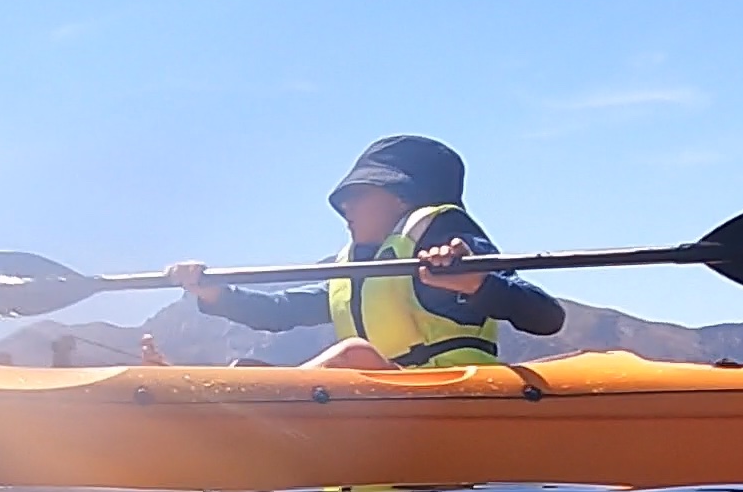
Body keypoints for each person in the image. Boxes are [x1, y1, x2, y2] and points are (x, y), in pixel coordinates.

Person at [168, 136, 565, 370]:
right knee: (260, 367)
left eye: (357, 195)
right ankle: (239, 403)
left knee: (354, 354)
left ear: (401, 197)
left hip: (451, 396)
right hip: (384, 405)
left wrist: (479, 283)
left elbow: (547, 317)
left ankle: (254, 401)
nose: (345, 208)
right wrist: (214, 294)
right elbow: (282, 310)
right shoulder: (358, 269)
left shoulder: (446, 238)